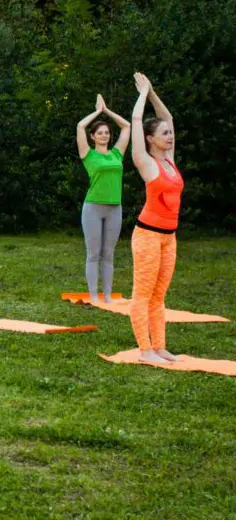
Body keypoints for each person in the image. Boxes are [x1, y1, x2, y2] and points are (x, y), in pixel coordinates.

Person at [129, 72, 183, 364]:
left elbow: (168, 116)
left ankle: (159, 347)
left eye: (170, 133)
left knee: (159, 295)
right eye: (164, 134)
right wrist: (140, 96)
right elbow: (137, 122)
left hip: (168, 237)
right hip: (148, 235)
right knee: (143, 293)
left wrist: (151, 92)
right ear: (150, 139)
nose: (170, 136)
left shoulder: (170, 161)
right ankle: (145, 351)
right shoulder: (146, 162)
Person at [76, 94, 131, 302]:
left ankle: (107, 295)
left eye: (107, 132)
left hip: (114, 208)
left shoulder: (117, 154)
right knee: (93, 253)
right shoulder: (88, 155)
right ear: (93, 136)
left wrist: (107, 111)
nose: (104, 135)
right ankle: (93, 295)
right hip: (93, 208)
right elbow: (80, 126)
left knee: (109, 253)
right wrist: (97, 112)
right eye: (100, 133)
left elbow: (126, 127)